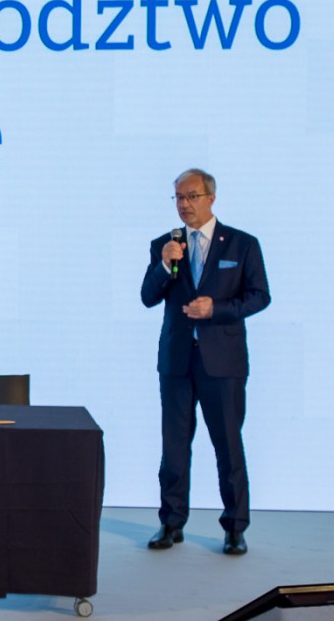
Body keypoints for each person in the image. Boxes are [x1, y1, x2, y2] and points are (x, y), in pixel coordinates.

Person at [140, 168, 270, 555]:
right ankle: (171, 522)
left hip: (223, 363)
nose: (184, 205)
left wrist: (217, 308)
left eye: (191, 197)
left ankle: (235, 527)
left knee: (228, 446)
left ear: (211, 198)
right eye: (179, 198)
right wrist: (164, 265)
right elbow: (147, 297)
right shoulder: (165, 244)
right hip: (176, 362)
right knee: (174, 447)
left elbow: (259, 296)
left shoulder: (242, 244)